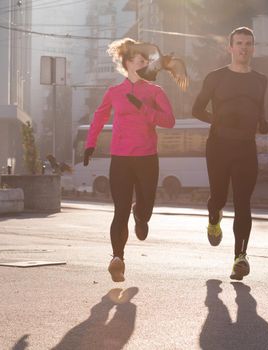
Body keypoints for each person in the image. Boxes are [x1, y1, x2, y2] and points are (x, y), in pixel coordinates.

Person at [84, 38, 176, 282]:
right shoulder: (115, 92)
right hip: (121, 159)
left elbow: (169, 121)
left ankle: (141, 215)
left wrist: (144, 109)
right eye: (139, 59)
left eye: (146, 60)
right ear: (127, 63)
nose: (143, 62)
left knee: (144, 207)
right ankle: (117, 259)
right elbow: (99, 117)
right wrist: (90, 144)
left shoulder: (155, 91)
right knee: (119, 209)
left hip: (147, 158)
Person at [192, 27, 268, 281]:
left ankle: (241, 257)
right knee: (218, 197)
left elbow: (260, 111)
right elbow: (196, 109)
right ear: (230, 48)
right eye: (239, 43)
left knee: (243, 203)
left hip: (246, 147)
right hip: (219, 146)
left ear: (253, 48)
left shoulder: (260, 80)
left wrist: (263, 122)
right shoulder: (215, 77)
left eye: (248, 43)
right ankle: (214, 217)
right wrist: (219, 120)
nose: (243, 48)